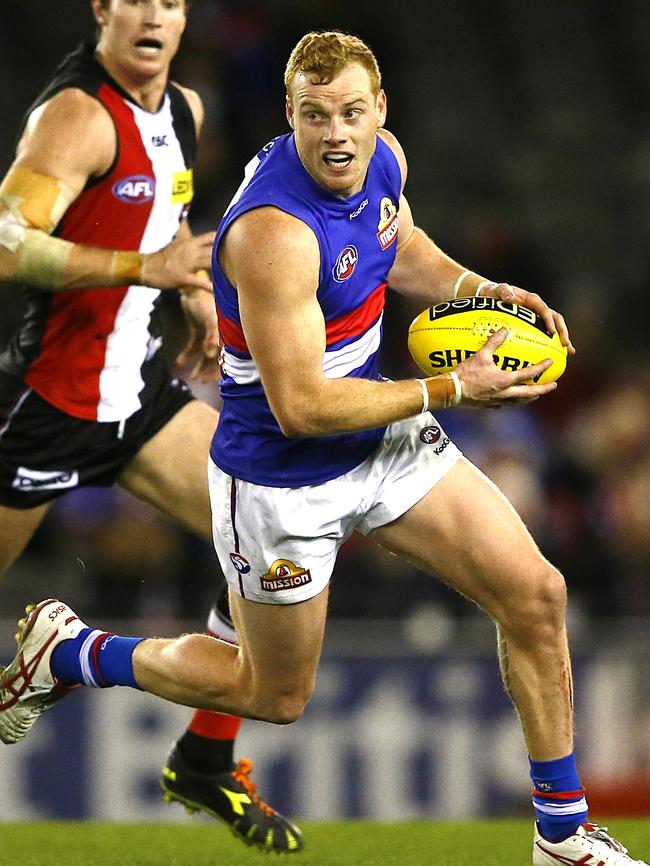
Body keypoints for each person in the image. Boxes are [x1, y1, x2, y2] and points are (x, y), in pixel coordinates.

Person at [1, 28, 646, 866]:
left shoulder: (384, 160)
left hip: (382, 434)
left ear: (381, 109)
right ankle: (78, 653)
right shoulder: (272, 234)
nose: (336, 133)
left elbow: (398, 241)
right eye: (315, 116)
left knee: (535, 594)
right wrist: (455, 389)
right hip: (284, 478)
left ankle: (561, 834)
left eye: (351, 112)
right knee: (271, 693)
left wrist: (478, 288)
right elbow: (302, 408)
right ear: (290, 116)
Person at [0, 0, 303, 854]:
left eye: (169, 0)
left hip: (139, 400)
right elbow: (8, 243)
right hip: (45, 407)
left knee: (278, 526)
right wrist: (147, 268)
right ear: (102, 7)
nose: (153, 15)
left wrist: (194, 292)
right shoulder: (76, 115)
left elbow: (163, 215)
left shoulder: (185, 108)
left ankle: (204, 761)